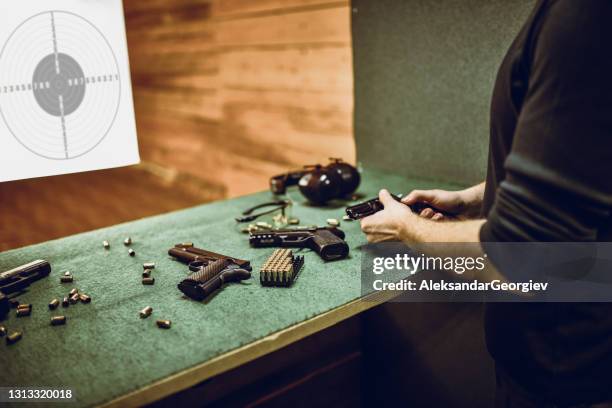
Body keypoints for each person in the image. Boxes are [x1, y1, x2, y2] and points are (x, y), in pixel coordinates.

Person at [359, 0, 612, 407]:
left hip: (568, 379)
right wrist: (479, 197)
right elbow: (582, 166)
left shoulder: (585, 15)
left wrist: (407, 227)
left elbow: (523, 257)